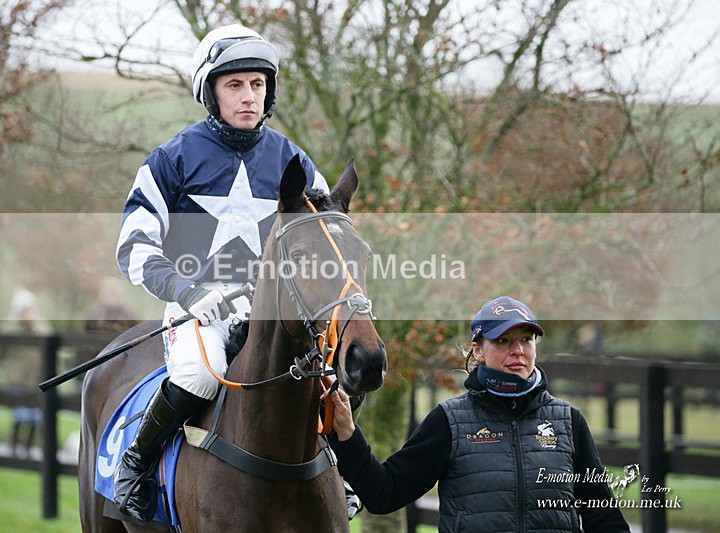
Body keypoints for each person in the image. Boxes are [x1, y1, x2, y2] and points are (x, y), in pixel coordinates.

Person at [112, 24, 336, 522]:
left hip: (275, 316)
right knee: (196, 375)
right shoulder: (171, 159)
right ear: (210, 92)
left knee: (335, 376)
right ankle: (136, 465)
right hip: (200, 312)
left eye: (257, 85)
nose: (249, 96)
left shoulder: (294, 161)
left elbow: (328, 241)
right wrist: (187, 291)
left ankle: (342, 475)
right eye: (234, 85)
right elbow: (133, 245)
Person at [326, 296, 631, 532]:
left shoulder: (568, 421)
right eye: (503, 341)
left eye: (526, 339)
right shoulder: (449, 421)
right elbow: (384, 493)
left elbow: (604, 518)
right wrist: (347, 435)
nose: (518, 351)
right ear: (479, 350)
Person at [0, 287, 53, 457]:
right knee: (20, 416)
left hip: (36, 381)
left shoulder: (41, 327)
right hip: (16, 380)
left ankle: (27, 451)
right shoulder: (8, 328)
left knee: (35, 419)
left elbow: (51, 347)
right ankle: (14, 450)